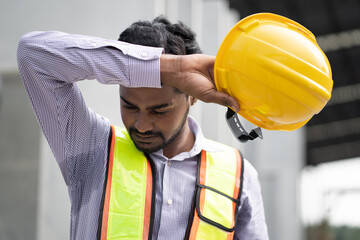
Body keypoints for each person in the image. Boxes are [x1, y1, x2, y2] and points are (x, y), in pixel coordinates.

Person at [17, 16, 268, 240]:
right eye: (129, 106)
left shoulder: (239, 176)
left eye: (160, 110)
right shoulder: (92, 148)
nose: (142, 125)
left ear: (193, 96)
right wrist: (167, 68)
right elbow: (33, 54)